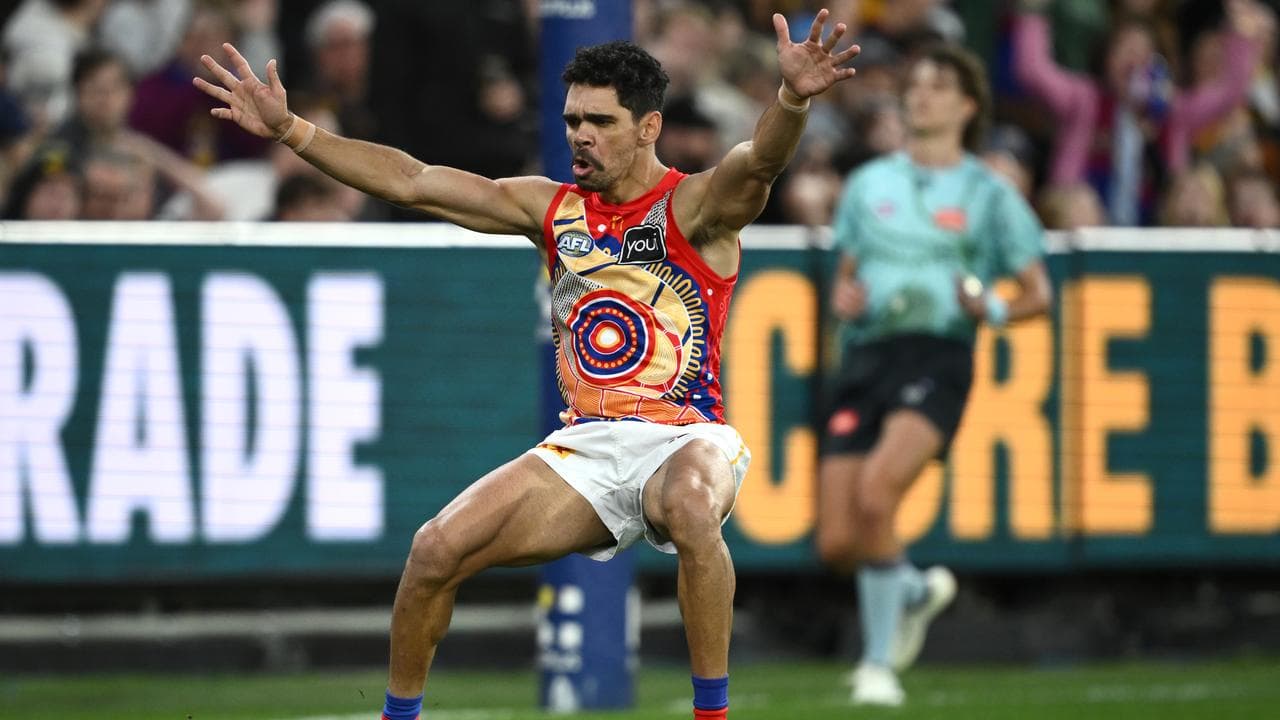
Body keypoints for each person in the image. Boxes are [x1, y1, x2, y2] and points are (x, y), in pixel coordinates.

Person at [195, 10, 859, 720]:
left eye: (600, 120)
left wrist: (790, 101)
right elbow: (413, 181)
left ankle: (711, 715)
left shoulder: (694, 207)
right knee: (433, 551)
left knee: (693, 507)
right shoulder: (550, 209)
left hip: (686, 437)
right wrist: (295, 130)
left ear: (649, 127)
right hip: (587, 448)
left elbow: (758, 162)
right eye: (573, 118)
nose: (580, 134)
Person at [815, 44, 1052, 707]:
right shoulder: (868, 185)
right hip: (867, 355)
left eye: (937, 85)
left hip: (938, 354)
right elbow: (846, 281)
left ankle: (878, 665)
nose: (919, 95)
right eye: (914, 85)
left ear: (966, 105)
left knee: (876, 491)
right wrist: (843, 302)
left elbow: (1038, 292)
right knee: (838, 540)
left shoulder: (988, 192)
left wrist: (993, 308)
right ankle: (913, 589)